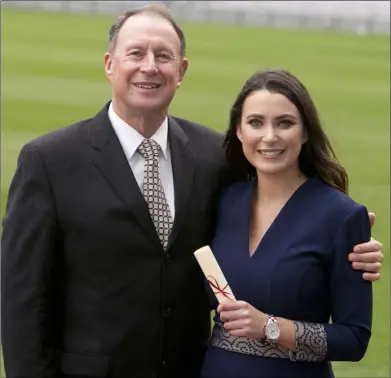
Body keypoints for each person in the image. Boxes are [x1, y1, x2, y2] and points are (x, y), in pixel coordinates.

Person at [0, 4, 384, 378]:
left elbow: (283, 207)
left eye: (163, 56)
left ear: (180, 71)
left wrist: (346, 239)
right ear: (109, 64)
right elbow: (22, 300)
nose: (149, 66)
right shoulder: (49, 160)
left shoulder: (213, 158)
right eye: (136, 53)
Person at [200, 69, 378, 378]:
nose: (270, 136)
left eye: (285, 123)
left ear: (306, 131)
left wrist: (270, 328)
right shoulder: (224, 200)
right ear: (239, 131)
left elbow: (354, 339)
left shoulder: (341, 216)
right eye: (256, 123)